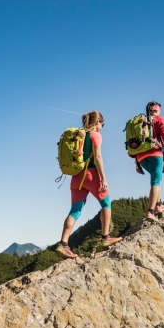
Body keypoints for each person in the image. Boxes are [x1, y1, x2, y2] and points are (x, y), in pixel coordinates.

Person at [56, 111, 122, 259]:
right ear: (97, 122)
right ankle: (106, 237)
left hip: (76, 177)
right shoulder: (95, 135)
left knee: (75, 211)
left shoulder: (78, 136)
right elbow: (98, 157)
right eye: (101, 124)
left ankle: (63, 244)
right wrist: (103, 178)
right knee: (106, 204)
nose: (101, 128)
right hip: (91, 174)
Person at [135, 101, 164, 220]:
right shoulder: (160, 119)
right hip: (155, 154)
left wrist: (137, 163)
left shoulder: (140, 121)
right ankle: (151, 211)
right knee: (155, 182)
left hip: (141, 158)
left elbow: (136, 143)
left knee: (156, 179)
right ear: (156, 110)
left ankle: (158, 205)